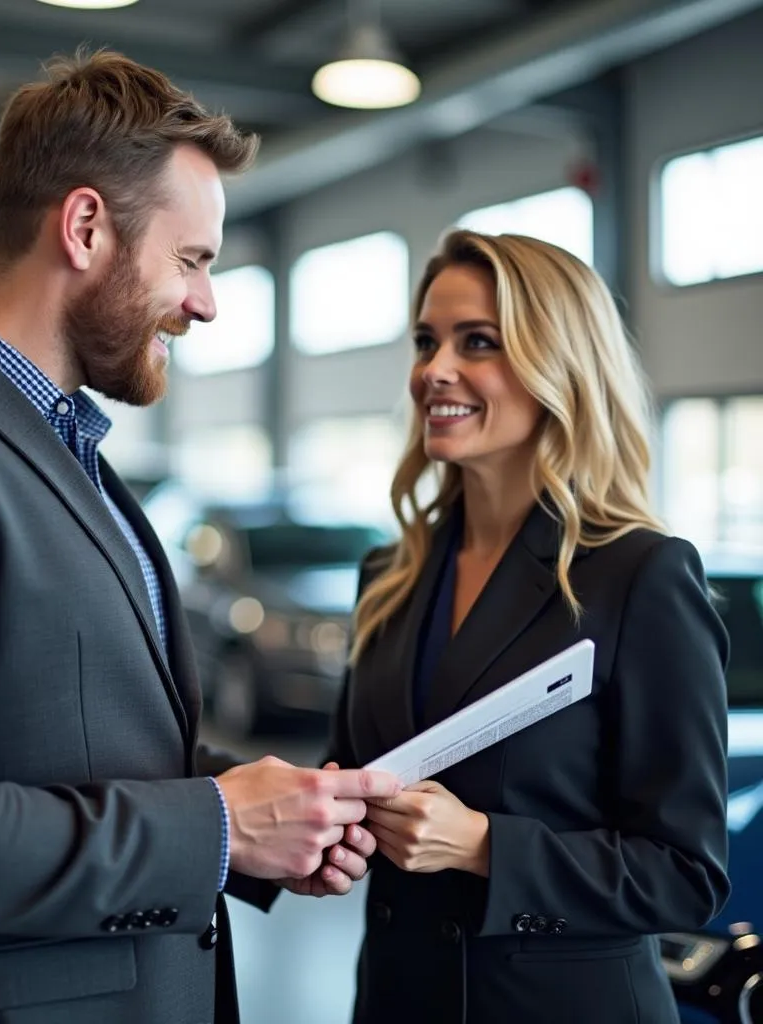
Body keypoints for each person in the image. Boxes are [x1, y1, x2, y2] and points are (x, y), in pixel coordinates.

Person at [0, 51, 400, 1024]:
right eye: (191, 260)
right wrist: (216, 827)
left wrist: (266, 808)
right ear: (86, 226)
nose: (206, 302)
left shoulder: (56, 444)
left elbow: (61, 737)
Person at [325, 228, 730, 1024]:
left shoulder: (640, 577)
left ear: (559, 366)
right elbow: (351, 774)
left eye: (478, 342)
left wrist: (482, 845)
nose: (433, 370)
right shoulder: (389, 577)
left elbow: (685, 875)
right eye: (426, 341)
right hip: (398, 1001)